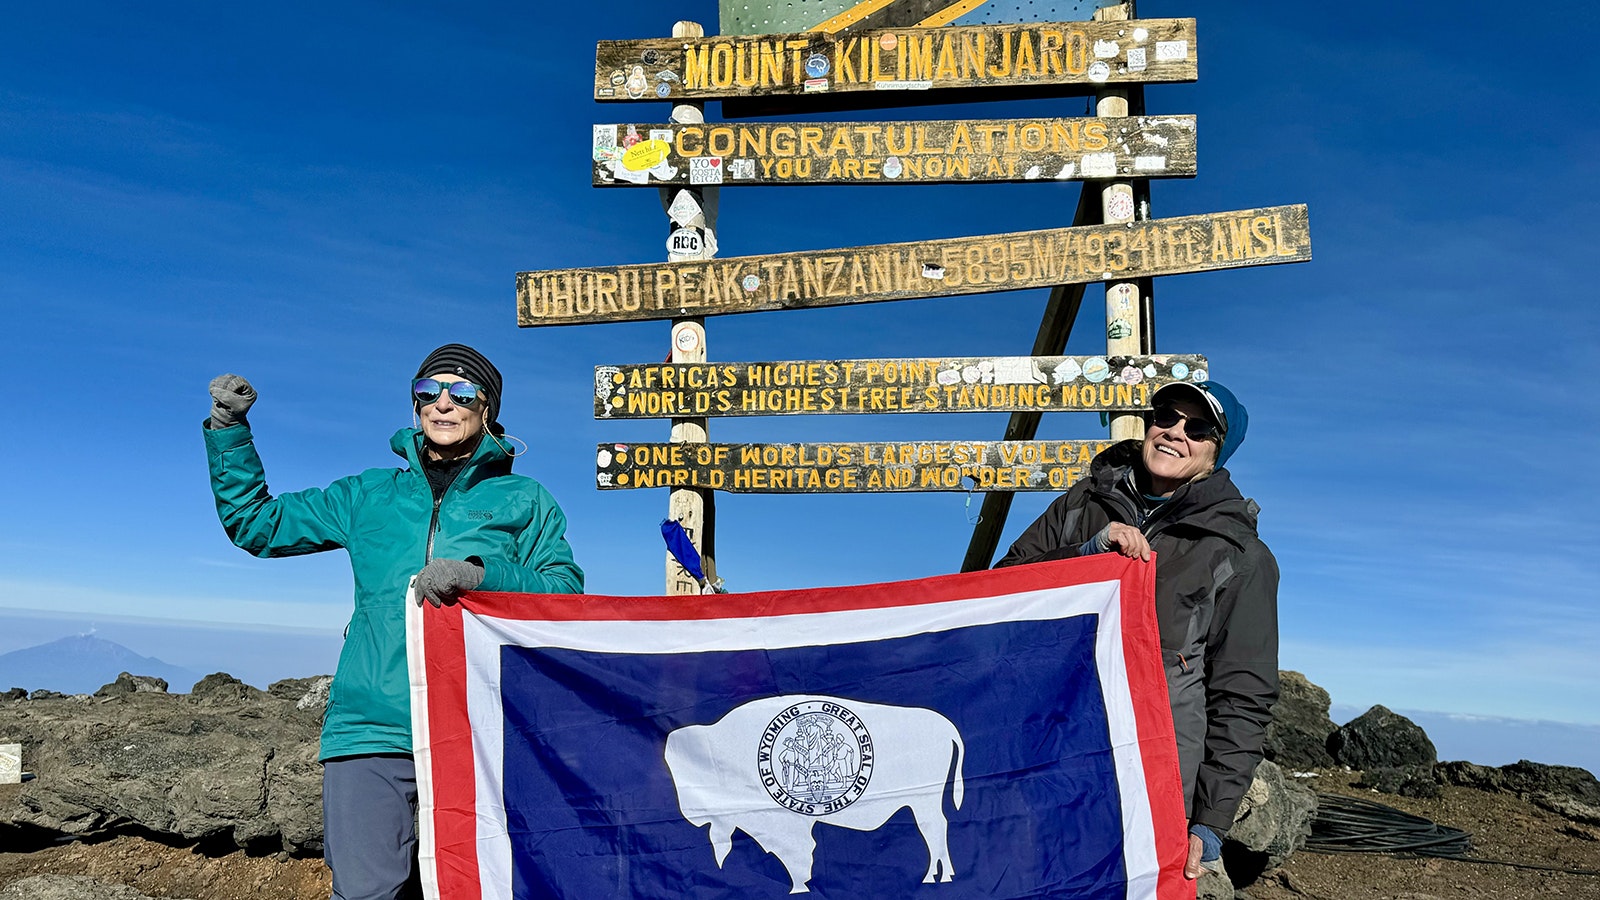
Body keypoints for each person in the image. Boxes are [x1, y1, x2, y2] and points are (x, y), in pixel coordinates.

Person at [203, 343, 584, 900]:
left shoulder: (525, 499)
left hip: (477, 728)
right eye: (427, 392)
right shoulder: (368, 495)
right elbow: (257, 524)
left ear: (488, 409)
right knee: (366, 893)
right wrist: (229, 428)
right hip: (370, 726)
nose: (442, 404)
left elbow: (564, 591)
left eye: (462, 393)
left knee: (476, 890)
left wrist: (483, 574)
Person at [995, 380, 1278, 881]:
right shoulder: (1081, 505)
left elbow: (1243, 697)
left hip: (1149, 777)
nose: (1174, 432)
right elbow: (1000, 588)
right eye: (1166, 415)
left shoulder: (1239, 555)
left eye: (1198, 427)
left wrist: (1210, 821)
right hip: (1043, 753)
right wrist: (1083, 556)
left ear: (1218, 451)